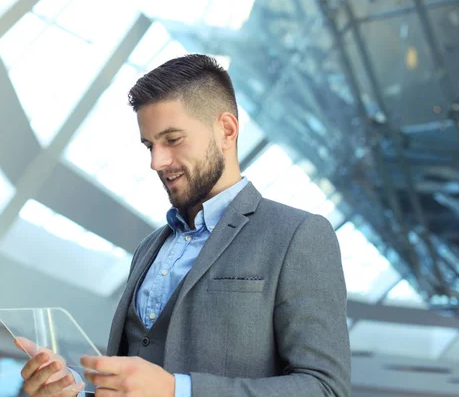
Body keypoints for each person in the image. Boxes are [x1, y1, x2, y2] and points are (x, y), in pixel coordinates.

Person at [18, 54, 351, 396]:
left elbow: (325, 388)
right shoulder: (149, 248)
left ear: (227, 130)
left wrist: (179, 390)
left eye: (172, 140)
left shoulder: (297, 235)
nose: (156, 162)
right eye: (150, 145)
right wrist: (72, 387)